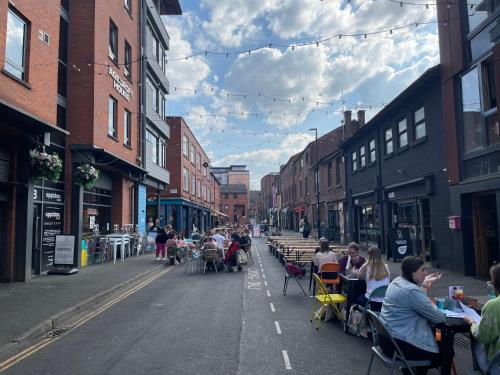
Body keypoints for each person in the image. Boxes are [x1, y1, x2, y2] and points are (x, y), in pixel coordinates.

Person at [380, 256, 447, 374]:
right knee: (446, 352)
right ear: (412, 272)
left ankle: (411, 371)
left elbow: (417, 303)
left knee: (437, 341)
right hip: (400, 345)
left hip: (386, 340)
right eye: (423, 270)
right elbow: (438, 317)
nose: (425, 273)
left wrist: (425, 285)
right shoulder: (410, 290)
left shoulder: (397, 281)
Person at [464, 263, 500, 375]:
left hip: (496, 367)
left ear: (495, 283)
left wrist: (472, 323)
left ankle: (479, 371)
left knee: (477, 338)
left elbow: (483, 336)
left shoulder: (494, 305)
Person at [357, 246, 390, 311]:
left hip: (371, 301)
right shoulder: (386, 266)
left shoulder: (366, 266)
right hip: (385, 301)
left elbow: (359, 277)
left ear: (369, 255)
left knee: (357, 297)